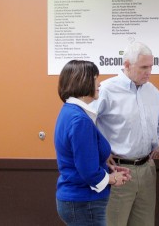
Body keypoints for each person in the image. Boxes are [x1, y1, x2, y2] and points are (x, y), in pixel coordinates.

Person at [92, 42, 159, 226]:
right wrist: (100, 152)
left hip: (147, 170)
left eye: (151, 66)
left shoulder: (153, 92)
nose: (149, 72)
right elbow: (86, 123)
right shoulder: (106, 90)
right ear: (127, 65)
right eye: (144, 67)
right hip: (118, 171)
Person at [54, 60, 131, 226]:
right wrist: (112, 178)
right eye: (95, 79)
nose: (99, 84)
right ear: (82, 82)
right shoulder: (80, 120)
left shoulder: (70, 112)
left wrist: (107, 168)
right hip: (84, 202)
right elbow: (88, 172)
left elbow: (82, 159)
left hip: (78, 201)